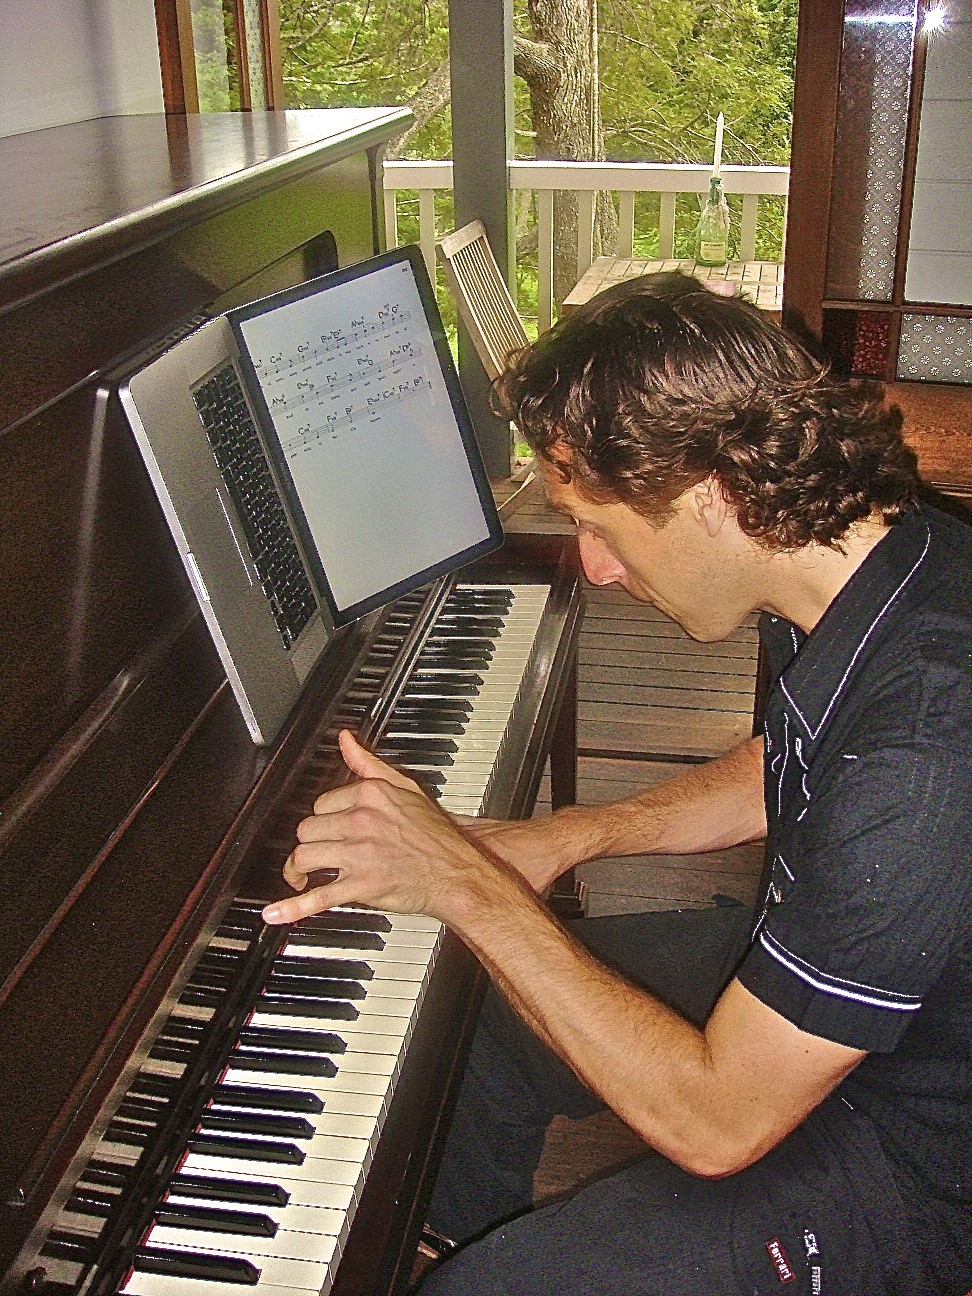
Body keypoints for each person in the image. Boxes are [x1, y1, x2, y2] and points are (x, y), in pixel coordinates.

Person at [262, 273, 972, 1296]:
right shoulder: (878, 553)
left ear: (717, 497)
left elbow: (717, 1122)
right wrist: (574, 836)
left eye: (597, 525)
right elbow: (795, 761)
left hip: (919, 1153)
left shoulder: (923, 757)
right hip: (862, 988)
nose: (591, 566)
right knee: (479, 1017)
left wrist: (470, 886)